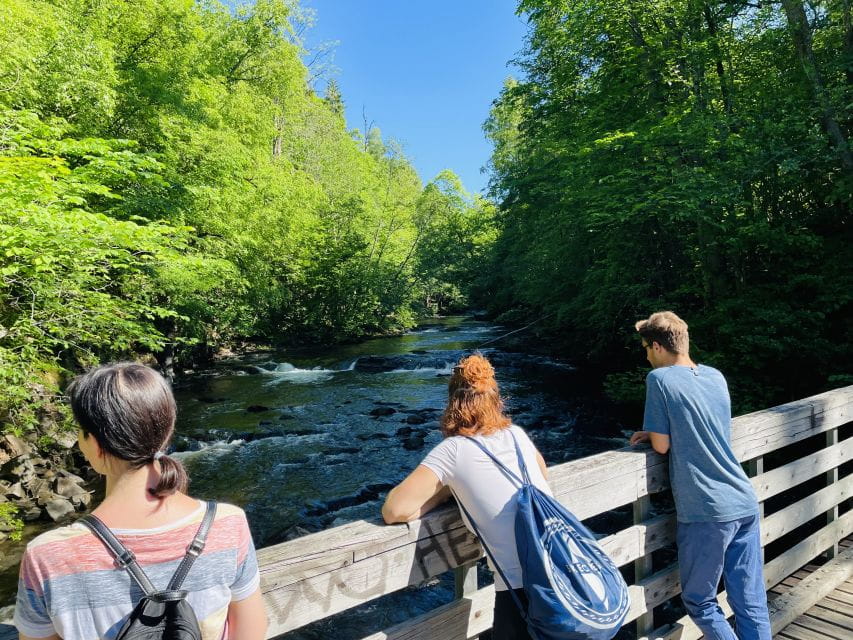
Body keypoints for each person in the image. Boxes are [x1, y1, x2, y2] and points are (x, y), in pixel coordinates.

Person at [14, 362, 268, 640]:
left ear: (96, 445)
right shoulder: (228, 524)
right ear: (166, 433)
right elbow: (251, 631)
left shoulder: (47, 555)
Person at [382, 353, 550, 640]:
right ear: (496, 399)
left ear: (453, 402)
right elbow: (542, 474)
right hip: (561, 567)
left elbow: (394, 511)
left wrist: (448, 489)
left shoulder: (454, 450)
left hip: (522, 589)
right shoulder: (516, 434)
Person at [629, 312, 770, 640]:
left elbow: (662, 447)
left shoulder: (659, 380)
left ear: (658, 346)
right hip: (743, 500)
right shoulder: (715, 376)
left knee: (700, 600)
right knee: (749, 600)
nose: (647, 356)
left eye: (646, 349)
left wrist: (652, 434)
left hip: (706, 507)